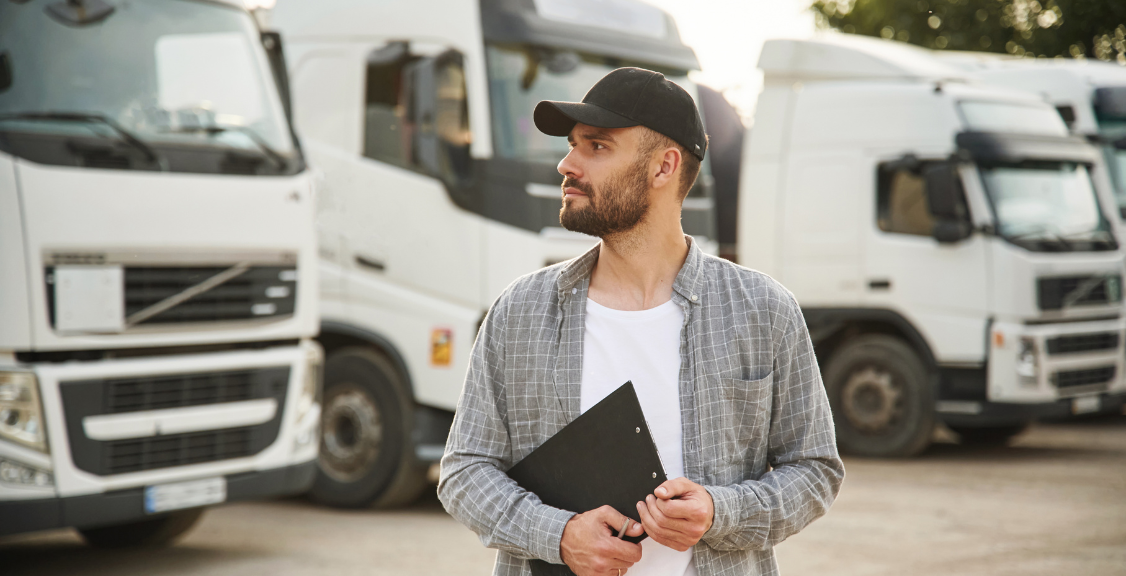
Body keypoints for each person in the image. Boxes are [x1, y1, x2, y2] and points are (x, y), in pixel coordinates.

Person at [439, 67, 844, 576]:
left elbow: (814, 469)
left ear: (663, 167)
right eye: (571, 145)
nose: (568, 163)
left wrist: (722, 512)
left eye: (597, 146)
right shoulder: (520, 312)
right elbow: (464, 469)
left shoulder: (762, 310)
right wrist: (558, 535)